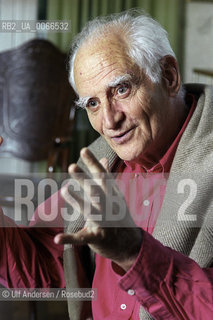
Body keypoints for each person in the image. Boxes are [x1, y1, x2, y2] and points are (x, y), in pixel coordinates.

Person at [1, 10, 213, 320]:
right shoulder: (98, 161)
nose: (110, 121)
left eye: (122, 89)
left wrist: (134, 254)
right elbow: (44, 265)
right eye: (93, 103)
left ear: (168, 76)